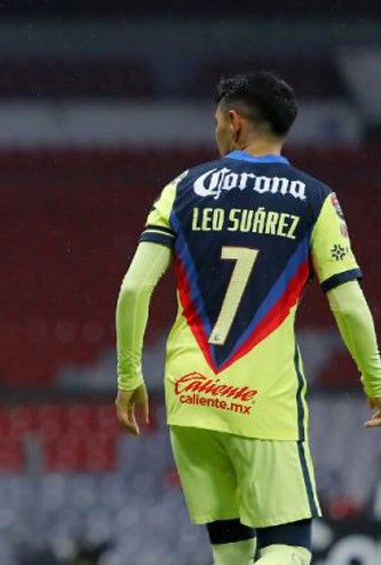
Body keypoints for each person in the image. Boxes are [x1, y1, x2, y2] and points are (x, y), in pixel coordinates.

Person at [114, 70, 381, 565]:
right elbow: (347, 302)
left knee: (232, 549)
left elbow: (134, 288)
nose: (216, 131)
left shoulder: (182, 187)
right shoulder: (314, 199)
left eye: (217, 121)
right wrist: (377, 380)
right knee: (290, 546)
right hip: (261, 400)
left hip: (190, 394)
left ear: (234, 123)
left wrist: (129, 375)